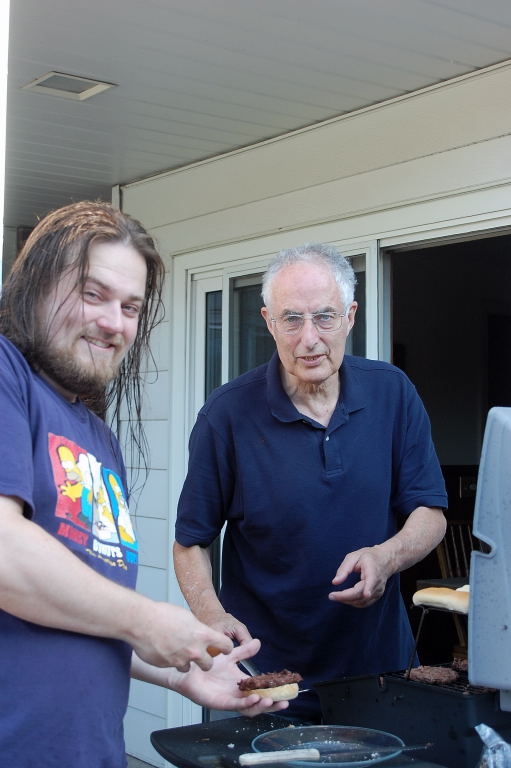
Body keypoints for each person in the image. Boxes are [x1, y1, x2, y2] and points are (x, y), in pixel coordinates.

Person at [0, 201, 288, 768]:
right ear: (35, 288)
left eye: (130, 306)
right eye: (93, 294)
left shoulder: (98, 438)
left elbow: (77, 613)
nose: (115, 323)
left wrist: (183, 674)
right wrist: (148, 619)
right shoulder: (8, 376)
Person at [173, 242, 448, 722]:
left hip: (382, 676)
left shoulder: (393, 393)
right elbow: (190, 542)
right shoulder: (226, 415)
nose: (309, 339)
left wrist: (386, 558)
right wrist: (211, 615)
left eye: (324, 317)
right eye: (292, 319)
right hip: (264, 685)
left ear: (350, 317)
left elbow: (430, 513)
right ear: (268, 322)